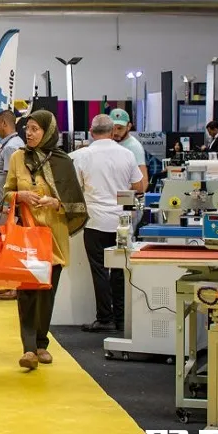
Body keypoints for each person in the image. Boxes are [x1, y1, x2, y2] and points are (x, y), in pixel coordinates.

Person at [4, 110, 87, 370]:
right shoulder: (18, 157)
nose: (28, 133)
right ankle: (29, 349)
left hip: (54, 236)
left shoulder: (63, 161)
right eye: (27, 128)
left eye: (35, 129)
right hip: (28, 236)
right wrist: (19, 196)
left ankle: (42, 343)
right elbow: (6, 192)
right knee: (27, 292)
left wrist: (56, 202)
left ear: (48, 132)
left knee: (47, 292)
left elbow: (76, 203)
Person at [72, 115, 143, 333]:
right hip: (122, 221)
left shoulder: (83, 155)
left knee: (100, 271)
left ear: (91, 132)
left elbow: (75, 187)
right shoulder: (127, 154)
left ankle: (105, 318)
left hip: (95, 220)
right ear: (112, 132)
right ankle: (121, 318)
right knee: (120, 270)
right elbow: (139, 186)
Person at [0, 109, 25, 302]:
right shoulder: (12, 144)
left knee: (10, 246)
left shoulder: (12, 147)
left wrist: (9, 207)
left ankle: (15, 286)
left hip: (6, 208)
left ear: (4, 123)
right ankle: (11, 284)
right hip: (3, 206)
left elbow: (13, 180)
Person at [110, 109, 148, 192]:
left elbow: (143, 181)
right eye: (113, 128)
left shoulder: (135, 147)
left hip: (124, 195)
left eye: (120, 128)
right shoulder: (108, 142)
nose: (116, 132)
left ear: (129, 127)